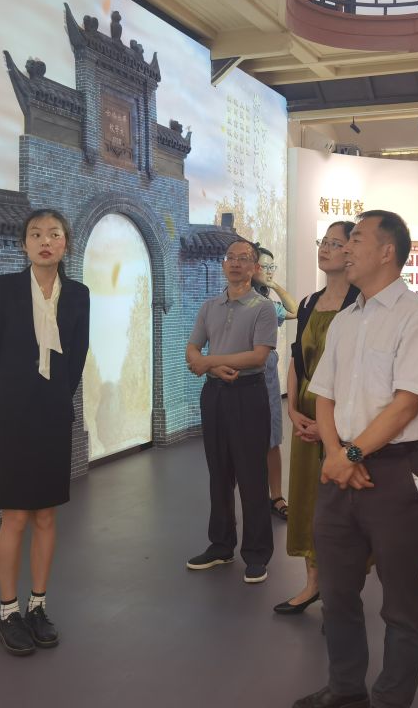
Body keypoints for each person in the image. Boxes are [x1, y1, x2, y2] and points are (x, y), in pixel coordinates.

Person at [294, 210, 418, 708]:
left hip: (397, 472)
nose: (345, 248)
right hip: (340, 470)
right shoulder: (345, 319)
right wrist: (337, 454)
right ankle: (345, 690)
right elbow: (324, 394)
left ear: (387, 252)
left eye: (356, 239)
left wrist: (352, 453)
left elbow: (407, 404)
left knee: (401, 603)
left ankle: (390, 700)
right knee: (337, 596)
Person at [0, 208, 90, 657]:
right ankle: (8, 612)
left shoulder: (78, 295)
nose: (45, 241)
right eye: (36, 234)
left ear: (65, 243)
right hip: (8, 417)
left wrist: (57, 397)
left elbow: (76, 357)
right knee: (15, 517)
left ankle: (37, 605)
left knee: (45, 515)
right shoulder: (4, 289)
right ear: (24, 244)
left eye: (54, 234)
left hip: (51, 415)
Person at [274, 221, 358, 616]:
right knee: (308, 499)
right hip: (307, 418)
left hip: (345, 420)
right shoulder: (309, 303)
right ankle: (313, 585)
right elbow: (297, 361)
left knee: (341, 505)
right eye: (323, 242)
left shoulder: (362, 304)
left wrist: (332, 423)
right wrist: (292, 410)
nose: (325, 248)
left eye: (335, 243)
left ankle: (342, 592)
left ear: (351, 251)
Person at [185, 239, 277, 584]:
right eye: (231, 258)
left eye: (244, 258)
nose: (236, 263)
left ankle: (257, 554)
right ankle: (221, 545)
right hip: (214, 394)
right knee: (219, 473)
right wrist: (209, 366)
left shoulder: (263, 307)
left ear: (255, 267)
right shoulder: (210, 306)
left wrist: (209, 361)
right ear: (224, 264)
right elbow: (192, 348)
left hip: (248, 394)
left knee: (252, 476)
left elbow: (258, 356)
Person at [253, 245, 298, 521]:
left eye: (272, 267)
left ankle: (277, 496)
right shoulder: (236, 301)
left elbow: (294, 310)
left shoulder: (269, 304)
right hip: (243, 375)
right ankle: (255, 496)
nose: (269, 271)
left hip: (267, 376)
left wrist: (274, 284)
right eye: (264, 266)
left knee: (272, 438)